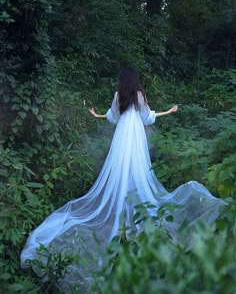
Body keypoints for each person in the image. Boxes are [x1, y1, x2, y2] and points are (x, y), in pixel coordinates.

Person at [20, 67, 225, 292]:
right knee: (137, 171)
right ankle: (130, 215)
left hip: (122, 136)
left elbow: (113, 117)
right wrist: (168, 111)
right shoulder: (139, 95)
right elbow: (147, 118)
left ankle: (121, 213)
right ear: (135, 80)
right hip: (135, 136)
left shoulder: (120, 95)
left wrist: (98, 115)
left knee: (120, 170)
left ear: (121, 81)